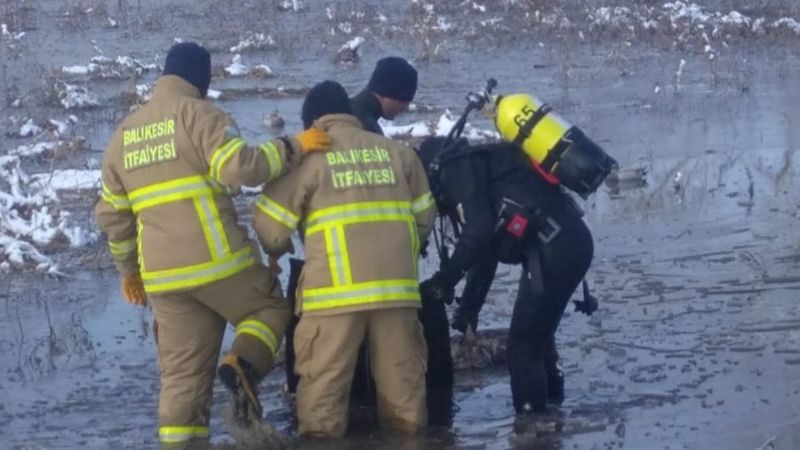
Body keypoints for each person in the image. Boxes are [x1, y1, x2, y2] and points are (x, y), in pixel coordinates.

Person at [94, 42, 331, 446]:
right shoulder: (199, 115)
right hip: (218, 262)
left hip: (164, 280)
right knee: (270, 307)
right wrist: (294, 146)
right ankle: (242, 365)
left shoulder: (123, 136)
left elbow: (113, 218)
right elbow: (242, 170)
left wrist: (129, 274)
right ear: (199, 79)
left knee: (182, 380)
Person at [252, 80, 436, 437]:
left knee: (323, 404)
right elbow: (425, 220)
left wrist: (279, 252)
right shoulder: (400, 155)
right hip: (397, 295)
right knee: (405, 400)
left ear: (312, 123)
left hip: (332, 299)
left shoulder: (307, 161)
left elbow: (271, 230)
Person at [417, 136, 594, 415]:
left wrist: (442, 282)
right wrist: (468, 309)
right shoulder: (482, 167)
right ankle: (553, 415)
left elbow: (478, 233)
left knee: (522, 348)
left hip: (556, 249)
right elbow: (485, 251)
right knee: (537, 339)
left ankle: (532, 427)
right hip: (567, 243)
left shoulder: (455, 170)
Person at [350, 56, 418, 135]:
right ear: (386, 93)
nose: (405, 107)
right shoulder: (368, 129)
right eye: (403, 100)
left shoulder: (345, 110)